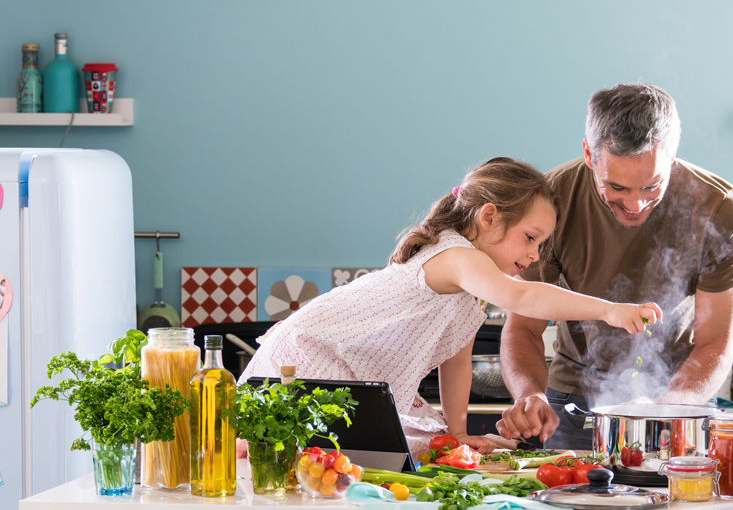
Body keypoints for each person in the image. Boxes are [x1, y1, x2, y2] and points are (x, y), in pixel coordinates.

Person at [239, 157, 661, 456]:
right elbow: (523, 297)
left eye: (542, 244)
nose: (535, 255)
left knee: (426, 445)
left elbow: (455, 364)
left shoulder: (469, 290)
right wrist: (610, 310)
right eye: (530, 238)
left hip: (348, 374)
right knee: (322, 457)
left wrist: (458, 431)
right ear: (489, 217)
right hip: (311, 357)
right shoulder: (458, 256)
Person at [497, 83, 733, 450]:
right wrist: (528, 394)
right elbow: (523, 326)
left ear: (672, 155)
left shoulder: (719, 208)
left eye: (652, 186)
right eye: (616, 187)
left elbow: (715, 343)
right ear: (589, 154)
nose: (635, 204)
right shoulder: (551, 200)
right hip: (573, 403)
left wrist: (665, 409)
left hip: (679, 398)